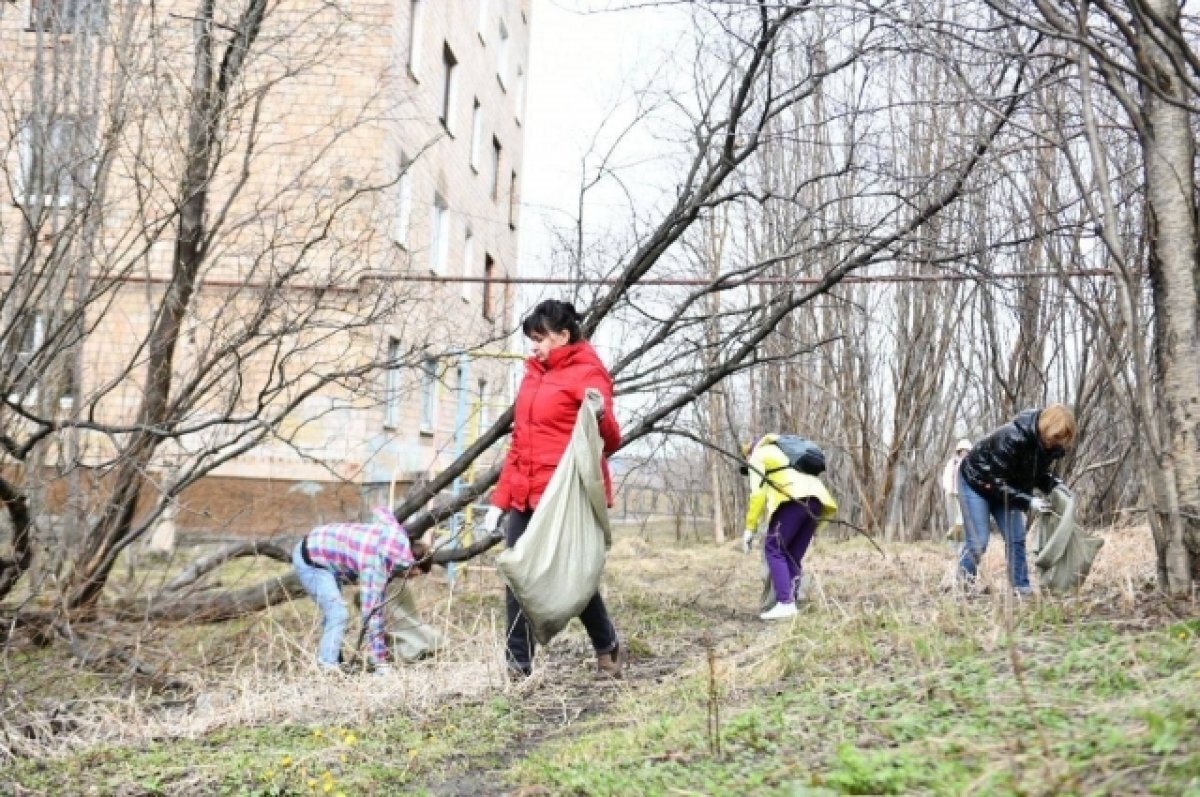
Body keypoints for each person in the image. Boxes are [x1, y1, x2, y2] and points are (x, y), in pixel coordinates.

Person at [478, 300, 623, 679]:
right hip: (525, 493)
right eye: (532, 339)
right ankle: (518, 666)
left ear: (563, 335)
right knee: (517, 574)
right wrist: (500, 500)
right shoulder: (533, 375)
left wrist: (600, 415)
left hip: (562, 497)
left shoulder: (588, 372)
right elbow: (520, 444)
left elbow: (611, 440)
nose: (535, 346)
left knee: (571, 576)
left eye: (541, 338)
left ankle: (606, 644)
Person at [957, 404, 1076, 596]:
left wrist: (1056, 486)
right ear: (1046, 427)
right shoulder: (1012, 437)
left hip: (1007, 487)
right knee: (978, 541)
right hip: (977, 481)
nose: (1056, 443)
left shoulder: (1047, 448)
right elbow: (996, 482)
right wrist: (1029, 501)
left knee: (1016, 538)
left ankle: (1021, 588)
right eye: (1055, 437)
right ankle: (963, 586)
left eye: (1061, 440)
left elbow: (1037, 474)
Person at [292, 507, 431, 672]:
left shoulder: (392, 543)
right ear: (409, 566)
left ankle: (335, 660)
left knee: (333, 615)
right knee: (338, 614)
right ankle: (326, 666)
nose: (409, 580)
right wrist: (380, 662)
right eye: (412, 576)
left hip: (323, 555)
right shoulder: (376, 563)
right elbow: (372, 614)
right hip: (310, 560)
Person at [742, 434, 838, 621]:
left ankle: (785, 603)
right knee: (791, 554)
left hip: (793, 501)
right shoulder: (783, 450)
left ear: (748, 453)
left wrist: (750, 528)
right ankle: (792, 602)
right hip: (817, 502)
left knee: (773, 548)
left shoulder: (758, 455)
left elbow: (757, 495)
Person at [941, 438, 972, 540]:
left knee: (963, 521)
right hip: (953, 493)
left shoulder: (971, 463)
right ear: (959, 451)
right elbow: (946, 477)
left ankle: (963, 542)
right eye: (963, 450)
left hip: (966, 495)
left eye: (967, 451)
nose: (965, 453)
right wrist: (948, 490)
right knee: (953, 520)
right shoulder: (952, 463)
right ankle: (953, 541)